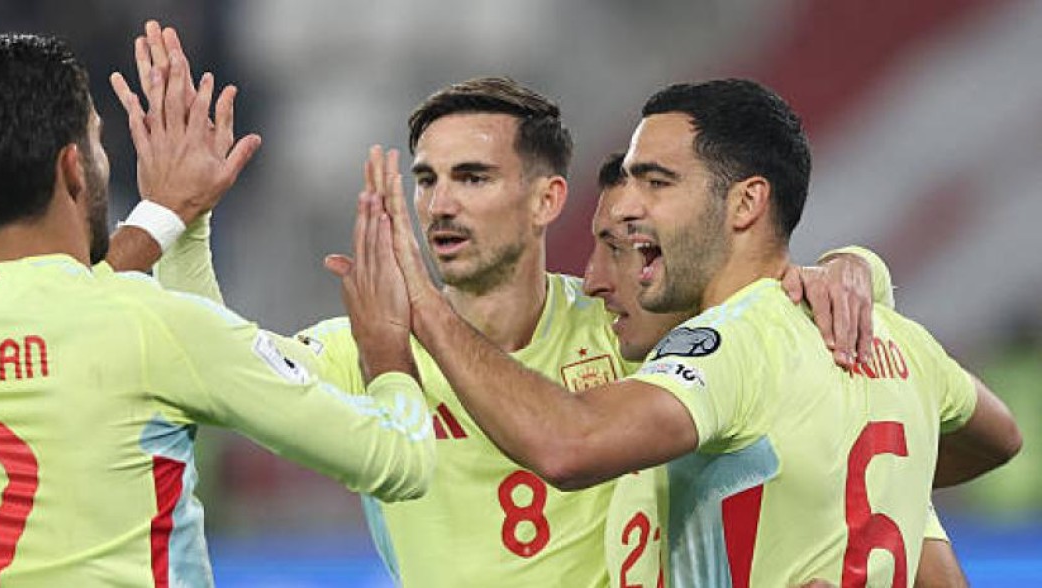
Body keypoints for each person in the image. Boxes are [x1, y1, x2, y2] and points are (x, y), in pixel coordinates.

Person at [360, 78, 1021, 586]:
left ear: (745, 202)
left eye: (658, 182)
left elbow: (568, 445)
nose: (634, 204)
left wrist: (424, 304)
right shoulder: (893, 339)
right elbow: (1001, 439)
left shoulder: (730, 345)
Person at [0, 32, 433, 586]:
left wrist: (172, 217)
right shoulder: (147, 328)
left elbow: (60, 306)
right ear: (72, 167)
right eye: (97, 139)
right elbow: (399, 458)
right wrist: (386, 351)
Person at [588, 152, 970, 588]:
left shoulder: (797, 392)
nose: (595, 280)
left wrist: (858, 266)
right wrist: (856, 261)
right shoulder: (618, 370)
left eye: (626, 249)